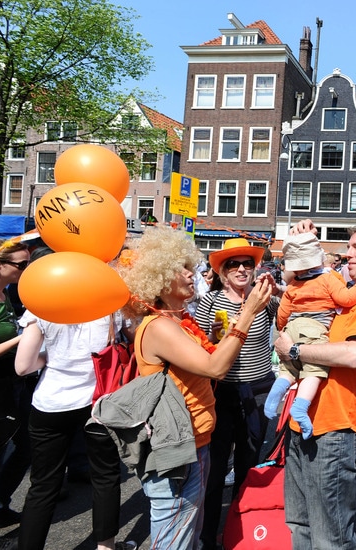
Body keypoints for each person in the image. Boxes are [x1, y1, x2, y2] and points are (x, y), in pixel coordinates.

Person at [114, 226, 273, 550]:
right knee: (174, 537)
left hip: (195, 439)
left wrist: (215, 339)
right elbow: (216, 368)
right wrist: (247, 314)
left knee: (187, 532)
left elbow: (204, 360)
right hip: (177, 446)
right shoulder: (158, 325)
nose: (192, 274)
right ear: (159, 279)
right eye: (182, 268)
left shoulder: (176, 319)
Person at [273, 221, 356, 550]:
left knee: (331, 535)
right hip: (302, 421)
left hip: (337, 425)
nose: (348, 253)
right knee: (299, 523)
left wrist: (295, 350)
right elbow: (295, 288)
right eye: (348, 246)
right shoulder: (337, 285)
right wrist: (300, 241)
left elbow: (355, 353)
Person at [14, 311, 134, 550]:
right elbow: (135, 339)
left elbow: (23, 367)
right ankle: (105, 547)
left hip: (51, 403)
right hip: (99, 401)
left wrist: (52, 359)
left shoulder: (43, 305)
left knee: (43, 485)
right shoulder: (112, 305)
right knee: (105, 475)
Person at [195, 238, 280, 550]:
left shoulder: (265, 299)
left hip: (257, 389)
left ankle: (241, 531)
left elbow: (288, 314)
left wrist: (279, 289)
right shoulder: (209, 303)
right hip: (221, 391)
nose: (242, 269)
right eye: (234, 264)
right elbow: (201, 345)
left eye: (248, 263)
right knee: (216, 467)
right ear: (222, 271)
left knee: (248, 463)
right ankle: (207, 537)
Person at [263, 232, 356, 438]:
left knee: (289, 369)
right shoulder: (327, 278)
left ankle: (274, 396)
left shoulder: (294, 284)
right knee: (314, 371)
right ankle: (300, 408)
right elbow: (347, 298)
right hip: (314, 328)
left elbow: (283, 313)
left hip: (292, 327)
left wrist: (283, 330)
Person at [0, 238, 29, 550]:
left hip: (9, 385)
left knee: (24, 447)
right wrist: (19, 341)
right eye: (21, 266)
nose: (26, 271)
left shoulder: (4, 293)